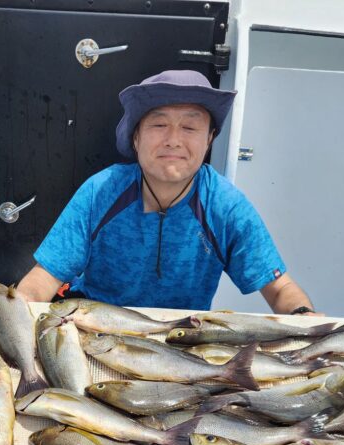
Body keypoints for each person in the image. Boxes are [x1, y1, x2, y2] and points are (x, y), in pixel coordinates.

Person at [16, 70, 318, 314]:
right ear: (136, 138)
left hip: (179, 341)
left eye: (190, 128)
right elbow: (45, 276)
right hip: (95, 328)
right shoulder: (101, 191)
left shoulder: (226, 206)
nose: (173, 140)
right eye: (159, 124)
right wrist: (20, 306)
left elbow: (280, 288)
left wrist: (305, 319)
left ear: (209, 139)